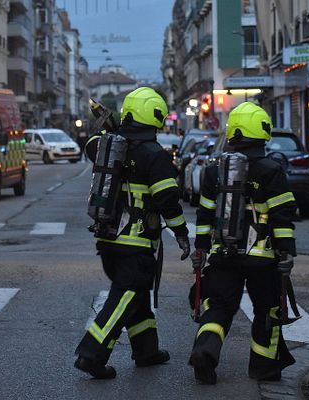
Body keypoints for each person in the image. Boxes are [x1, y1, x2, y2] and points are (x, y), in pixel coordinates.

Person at [74, 87, 191, 379]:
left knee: (136, 295)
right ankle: (91, 354)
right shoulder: (154, 155)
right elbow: (167, 200)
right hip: (136, 242)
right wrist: (181, 233)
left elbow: (91, 145)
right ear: (155, 117)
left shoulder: (107, 146)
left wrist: (115, 130)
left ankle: (146, 351)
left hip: (107, 238)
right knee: (126, 295)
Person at [188, 102, 297, 384]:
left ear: (233, 132)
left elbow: (204, 213)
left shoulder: (215, 171)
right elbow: (282, 215)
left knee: (219, 307)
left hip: (224, 254)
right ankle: (263, 368)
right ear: (263, 132)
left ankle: (205, 351)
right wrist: (286, 252)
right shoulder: (271, 169)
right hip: (262, 258)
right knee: (267, 310)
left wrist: (200, 247)